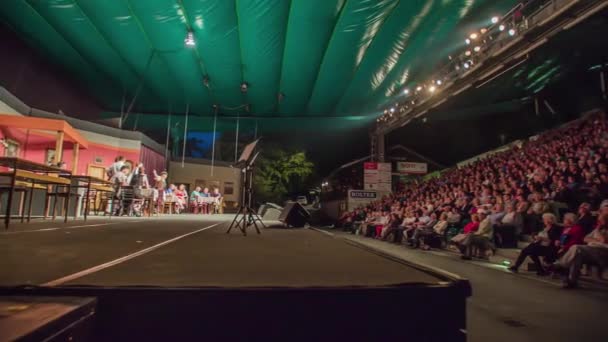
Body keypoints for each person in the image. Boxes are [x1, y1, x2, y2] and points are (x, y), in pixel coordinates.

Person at [553, 213, 608, 288]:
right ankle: (572, 282)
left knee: (576, 247)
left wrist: (597, 234)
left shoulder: (599, 229)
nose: (598, 222)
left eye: (601, 220)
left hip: (603, 252)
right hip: (591, 251)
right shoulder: (597, 229)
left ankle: (560, 265)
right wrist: (596, 239)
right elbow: (585, 238)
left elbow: (603, 241)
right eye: (598, 220)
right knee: (577, 255)